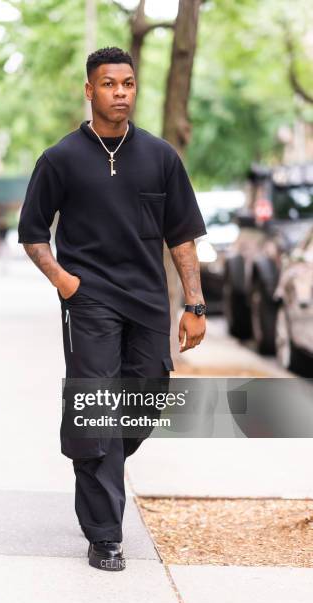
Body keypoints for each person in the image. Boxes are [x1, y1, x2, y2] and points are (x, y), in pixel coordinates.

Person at [18, 47, 207, 572]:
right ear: (89, 90)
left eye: (127, 83)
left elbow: (183, 235)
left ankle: (94, 447)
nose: (120, 92)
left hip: (148, 301)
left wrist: (194, 302)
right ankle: (105, 533)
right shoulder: (61, 158)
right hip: (90, 301)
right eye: (108, 83)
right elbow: (32, 232)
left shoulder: (161, 156)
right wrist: (65, 283)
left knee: (145, 400)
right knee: (97, 409)